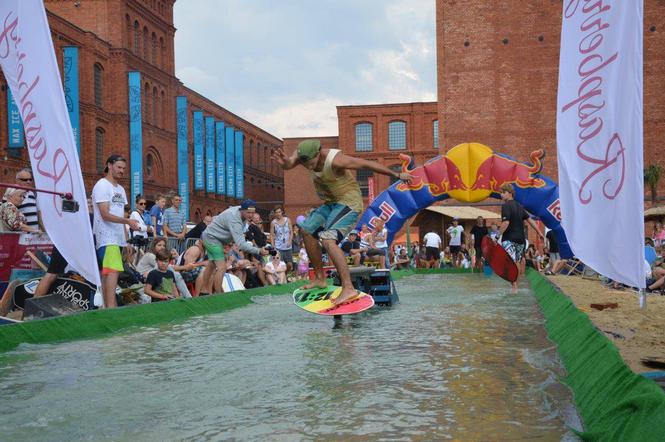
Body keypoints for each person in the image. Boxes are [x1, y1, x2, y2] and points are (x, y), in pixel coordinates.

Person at [272, 139, 413, 305]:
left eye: (311, 163)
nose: (309, 167)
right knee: (306, 231)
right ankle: (320, 278)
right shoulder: (302, 153)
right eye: (305, 164)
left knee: (328, 239)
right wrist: (285, 163)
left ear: (318, 154)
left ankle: (349, 288)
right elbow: (289, 164)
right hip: (331, 204)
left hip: (349, 203)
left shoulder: (336, 160)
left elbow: (366, 164)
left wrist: (396, 175)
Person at [92, 155, 140, 308]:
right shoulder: (102, 185)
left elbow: (121, 214)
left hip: (117, 238)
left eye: (124, 168)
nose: (122, 171)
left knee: (109, 274)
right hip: (106, 237)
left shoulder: (120, 189)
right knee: (111, 273)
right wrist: (128, 222)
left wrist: (125, 241)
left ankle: (107, 307)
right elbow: (105, 214)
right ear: (109, 166)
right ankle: (111, 308)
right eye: (119, 167)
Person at [200, 200, 270, 294]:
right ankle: (219, 294)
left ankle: (204, 291)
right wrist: (258, 251)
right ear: (242, 210)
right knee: (222, 267)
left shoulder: (240, 212)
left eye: (253, 213)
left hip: (213, 237)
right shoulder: (235, 220)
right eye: (248, 212)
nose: (250, 215)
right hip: (212, 238)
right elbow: (241, 244)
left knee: (212, 264)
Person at [497, 183, 544, 293]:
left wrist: (497, 236)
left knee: (510, 262)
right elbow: (530, 220)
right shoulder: (519, 206)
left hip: (509, 239)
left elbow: (506, 223)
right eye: (501, 193)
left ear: (510, 193)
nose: (501, 195)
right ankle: (516, 286)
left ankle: (514, 287)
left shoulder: (506, 206)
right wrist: (539, 232)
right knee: (516, 262)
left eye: (503, 192)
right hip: (521, 240)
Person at [270, 206, 293, 273]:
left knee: (289, 264)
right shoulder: (273, 222)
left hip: (288, 246)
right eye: (276, 212)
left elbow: (291, 232)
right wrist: (273, 246)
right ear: (274, 213)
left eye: (279, 212)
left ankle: (284, 275)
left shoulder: (287, 220)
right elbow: (271, 235)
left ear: (282, 212)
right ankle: (282, 278)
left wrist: (290, 240)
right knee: (280, 264)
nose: (278, 214)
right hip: (278, 247)